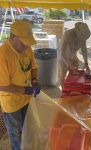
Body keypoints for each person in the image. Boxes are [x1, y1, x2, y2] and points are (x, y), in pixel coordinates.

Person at [0, 20, 40, 150]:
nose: (26, 46)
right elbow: (2, 86)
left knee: (27, 127)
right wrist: (24, 90)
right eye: (23, 42)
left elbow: (33, 66)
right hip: (11, 103)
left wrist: (34, 80)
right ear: (12, 37)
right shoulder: (3, 55)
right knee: (15, 132)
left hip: (26, 99)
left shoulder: (26, 48)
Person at [58, 22, 91, 87]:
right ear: (77, 31)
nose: (81, 39)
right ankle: (64, 94)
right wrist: (69, 64)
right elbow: (62, 51)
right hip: (63, 57)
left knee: (74, 75)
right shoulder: (67, 34)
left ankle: (71, 90)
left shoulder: (83, 35)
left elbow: (84, 50)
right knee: (62, 78)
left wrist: (86, 63)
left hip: (73, 55)